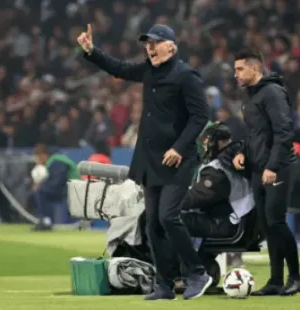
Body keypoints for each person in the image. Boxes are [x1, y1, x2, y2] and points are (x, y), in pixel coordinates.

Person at [78, 24, 211, 300]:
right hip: (150, 160)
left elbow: (200, 117)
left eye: (155, 42)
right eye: (147, 43)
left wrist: (178, 147)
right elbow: (120, 69)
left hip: (177, 160)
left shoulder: (186, 76)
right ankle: (165, 283)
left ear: (171, 47)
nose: (149, 47)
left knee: (168, 216)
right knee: (152, 224)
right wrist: (92, 51)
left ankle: (198, 272)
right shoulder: (149, 71)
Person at [232, 49, 300, 296]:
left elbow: (284, 132)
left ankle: (295, 278)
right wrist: (243, 152)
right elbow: (255, 134)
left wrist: (272, 166)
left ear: (255, 68)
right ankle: (275, 280)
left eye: (240, 69)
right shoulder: (249, 96)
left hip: (278, 166)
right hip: (258, 167)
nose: (235, 74)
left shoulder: (271, 93)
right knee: (267, 224)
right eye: (235, 69)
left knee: (276, 221)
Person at [182, 122, 254, 239]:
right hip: (236, 221)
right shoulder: (234, 159)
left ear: (219, 142)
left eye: (207, 139)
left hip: (223, 224)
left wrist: (169, 200)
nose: (205, 143)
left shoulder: (217, 169)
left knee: (170, 217)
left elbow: (195, 198)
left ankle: (177, 256)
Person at [31, 144, 81, 231]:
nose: (37, 161)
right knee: (41, 191)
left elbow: (57, 182)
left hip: (72, 190)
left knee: (41, 192)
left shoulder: (57, 162)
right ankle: (45, 220)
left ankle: (46, 220)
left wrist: (40, 186)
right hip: (68, 188)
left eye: (38, 158)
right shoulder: (55, 161)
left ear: (43, 155)